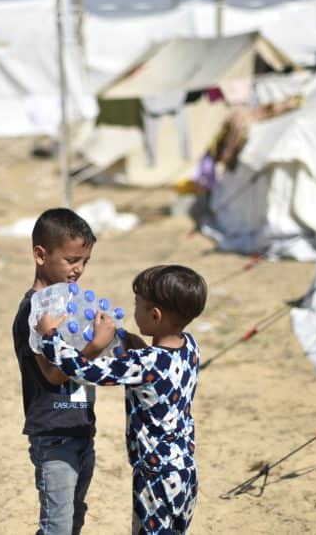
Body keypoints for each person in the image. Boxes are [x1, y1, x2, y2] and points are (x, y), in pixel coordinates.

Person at [35, 264, 207, 534]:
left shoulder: (145, 363)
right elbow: (157, 365)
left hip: (155, 476)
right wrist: (131, 342)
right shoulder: (190, 346)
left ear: (155, 315)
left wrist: (50, 336)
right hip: (184, 470)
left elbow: (83, 370)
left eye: (137, 304)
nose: (133, 310)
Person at [12, 208, 101, 535]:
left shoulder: (69, 305)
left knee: (73, 517)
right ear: (40, 255)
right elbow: (53, 373)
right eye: (71, 260)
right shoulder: (34, 312)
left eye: (85, 261)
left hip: (81, 427)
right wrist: (94, 347)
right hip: (54, 436)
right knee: (57, 526)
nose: (79, 269)